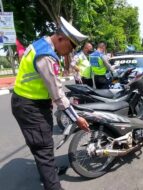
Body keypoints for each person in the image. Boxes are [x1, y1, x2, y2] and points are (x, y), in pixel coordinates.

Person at [11, 17, 89, 190]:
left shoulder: (42, 44)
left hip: (30, 102)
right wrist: (76, 118)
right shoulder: (46, 56)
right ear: (61, 38)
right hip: (29, 106)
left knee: (43, 145)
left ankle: (49, 171)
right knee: (44, 148)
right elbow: (58, 95)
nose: (69, 52)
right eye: (69, 47)